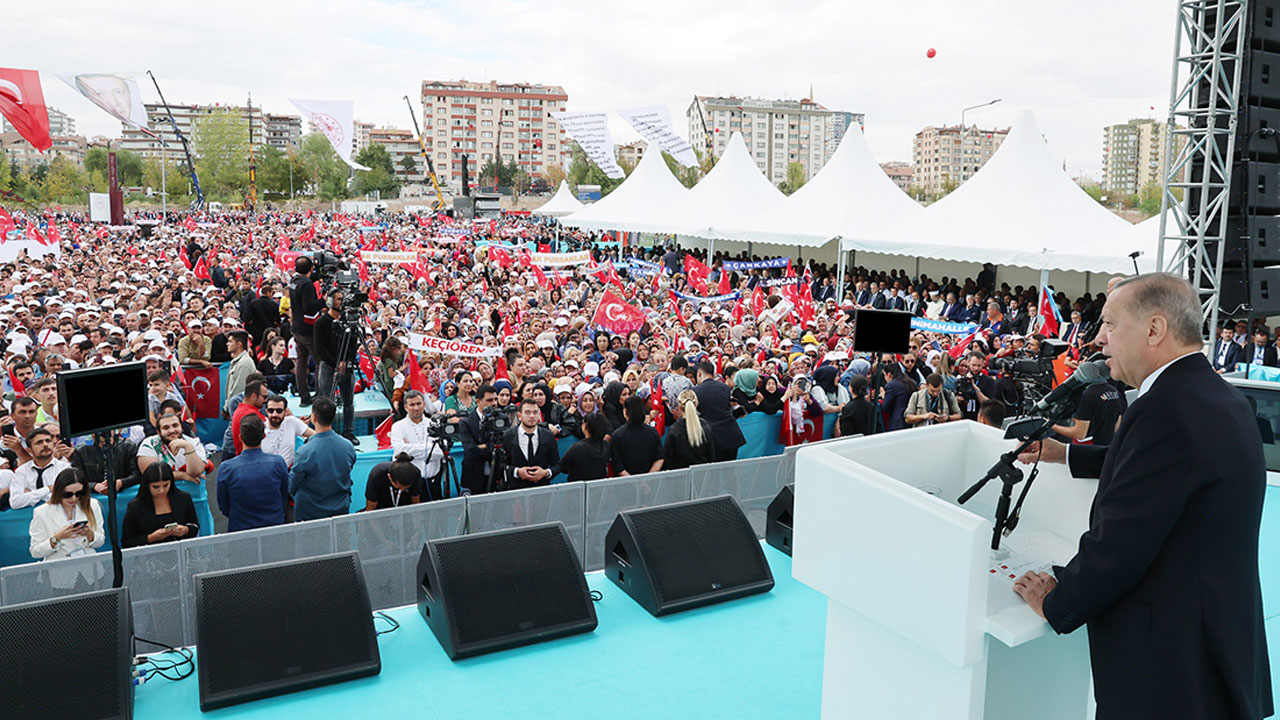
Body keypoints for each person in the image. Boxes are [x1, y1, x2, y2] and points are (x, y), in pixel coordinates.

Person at [1012, 273, 1272, 719]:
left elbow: (1121, 543)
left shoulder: (1164, 411)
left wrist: (1056, 601)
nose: (1100, 338)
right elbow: (1171, 470)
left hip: (1169, 666)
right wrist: (1069, 456)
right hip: (1217, 640)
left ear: (1154, 330)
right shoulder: (1218, 398)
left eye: (1111, 324)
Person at [217, 414, 290, 531]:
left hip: (241, 530)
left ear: (240, 437)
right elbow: (283, 495)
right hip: (273, 527)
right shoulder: (278, 462)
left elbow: (224, 505)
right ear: (264, 436)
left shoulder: (226, 468)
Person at [288, 397, 356, 521]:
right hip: (340, 512)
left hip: (309, 517)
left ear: (313, 417)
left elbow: (292, 485)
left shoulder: (304, 452)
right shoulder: (348, 447)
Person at [28, 468, 104, 561]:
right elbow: (35, 551)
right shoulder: (42, 512)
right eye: (67, 494)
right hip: (59, 569)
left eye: (79, 493)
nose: (74, 498)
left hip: (90, 568)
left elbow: (100, 541)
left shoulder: (93, 505)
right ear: (58, 491)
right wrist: (57, 538)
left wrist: (90, 534)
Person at [314, 287, 358, 443]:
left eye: (343, 299)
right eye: (339, 299)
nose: (342, 302)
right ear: (330, 301)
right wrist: (336, 363)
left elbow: (354, 344)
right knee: (326, 400)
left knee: (349, 402)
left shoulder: (349, 322)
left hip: (347, 365)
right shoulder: (321, 323)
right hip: (328, 365)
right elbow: (320, 348)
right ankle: (326, 432)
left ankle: (349, 432)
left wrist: (346, 361)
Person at [121, 463, 199, 547]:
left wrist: (185, 530)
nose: (161, 491)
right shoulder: (135, 507)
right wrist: (151, 538)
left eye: (166, 485)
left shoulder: (183, 498)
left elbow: (194, 526)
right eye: (156, 487)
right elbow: (127, 541)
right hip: (149, 556)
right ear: (147, 485)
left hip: (181, 552)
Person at [390, 390, 447, 499]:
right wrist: (430, 448)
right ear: (406, 407)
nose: (416, 408)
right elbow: (399, 451)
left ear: (424, 405)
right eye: (412, 405)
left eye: (418, 404)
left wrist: (411, 450)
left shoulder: (433, 424)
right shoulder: (398, 426)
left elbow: (441, 451)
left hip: (433, 481)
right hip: (409, 483)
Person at [501, 398, 560, 490]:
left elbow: (557, 465)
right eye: (527, 412)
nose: (532, 416)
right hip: (515, 492)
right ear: (519, 416)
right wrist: (517, 472)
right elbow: (500, 465)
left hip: (541, 490)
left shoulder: (548, 436)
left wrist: (545, 473)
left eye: (535, 412)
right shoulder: (507, 436)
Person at [692, 359, 745, 461]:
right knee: (730, 472)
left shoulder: (695, 391)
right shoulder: (724, 387)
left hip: (711, 438)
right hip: (730, 435)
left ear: (699, 373)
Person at [137, 414, 208, 489]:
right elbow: (152, 475)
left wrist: (188, 447)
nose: (172, 431)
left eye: (175, 426)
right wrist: (182, 475)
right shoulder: (149, 443)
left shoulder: (193, 442)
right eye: (166, 428)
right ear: (158, 432)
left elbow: (196, 472)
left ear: (181, 427)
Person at [288, 255, 323, 406]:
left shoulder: (294, 281)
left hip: (297, 329)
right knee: (320, 362)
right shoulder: (307, 285)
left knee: (301, 362)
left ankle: (304, 396)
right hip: (309, 331)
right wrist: (325, 300)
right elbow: (310, 306)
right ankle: (321, 393)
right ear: (310, 269)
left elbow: (306, 281)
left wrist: (319, 273)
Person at [9, 428, 73, 509]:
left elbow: (66, 497)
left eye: (48, 441)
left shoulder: (65, 468)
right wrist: (48, 489)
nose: (45, 444)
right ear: (29, 450)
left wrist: (31, 494)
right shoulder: (21, 471)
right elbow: (15, 502)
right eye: (39, 442)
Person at [459, 384, 500, 495]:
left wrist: (482, 446)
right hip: (474, 479)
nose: (494, 403)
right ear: (478, 401)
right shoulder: (466, 422)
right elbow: (470, 450)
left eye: (496, 399)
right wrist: (491, 446)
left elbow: (505, 445)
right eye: (489, 400)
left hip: (497, 477)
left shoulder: (501, 418)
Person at [71, 430, 141, 495]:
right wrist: (94, 486)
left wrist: (121, 482)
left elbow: (137, 474)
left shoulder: (128, 447)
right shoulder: (81, 451)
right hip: (93, 497)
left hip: (123, 496)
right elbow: (76, 479)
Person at [610, 394, 664, 476]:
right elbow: (659, 458)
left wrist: (635, 482)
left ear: (625, 411)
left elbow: (618, 466)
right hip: (650, 483)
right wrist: (648, 477)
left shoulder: (617, 435)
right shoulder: (652, 432)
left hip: (625, 483)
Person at [663, 390, 716, 470]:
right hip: (703, 475)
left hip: (680, 477)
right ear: (696, 404)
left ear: (679, 407)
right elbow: (711, 456)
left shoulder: (674, 430)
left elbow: (668, 460)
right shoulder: (705, 426)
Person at [260, 394, 313, 467]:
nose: (274, 414)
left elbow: (316, 435)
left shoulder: (292, 422)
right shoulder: (260, 429)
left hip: (288, 473)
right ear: (266, 411)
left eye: (279, 411)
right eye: (271, 411)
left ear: (285, 411)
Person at [559, 412, 611, 482]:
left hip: (578, 487)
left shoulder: (576, 448)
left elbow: (563, 467)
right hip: (599, 487)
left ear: (585, 426)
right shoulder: (606, 446)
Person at [230, 378, 268, 456]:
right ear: (254, 396)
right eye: (264, 397)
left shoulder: (241, 409)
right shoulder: (250, 414)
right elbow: (273, 425)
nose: (266, 400)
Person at [224, 330, 256, 400]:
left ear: (239, 344)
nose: (227, 344)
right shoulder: (237, 361)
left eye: (230, 341)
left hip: (237, 407)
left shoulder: (244, 363)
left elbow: (238, 392)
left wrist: (227, 408)